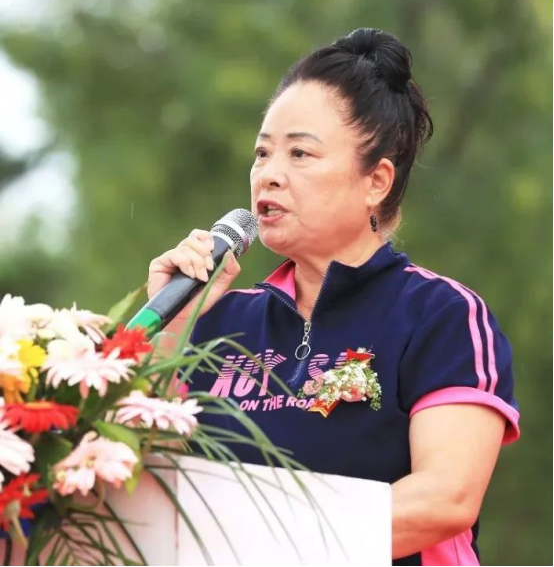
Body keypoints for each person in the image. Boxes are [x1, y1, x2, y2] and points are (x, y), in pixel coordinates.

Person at [148, 28, 519, 566]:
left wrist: (255, 545)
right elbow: (142, 494)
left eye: (300, 153)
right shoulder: (218, 320)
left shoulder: (440, 316)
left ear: (376, 181)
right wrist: (167, 338)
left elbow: (445, 499)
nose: (269, 175)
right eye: (262, 153)